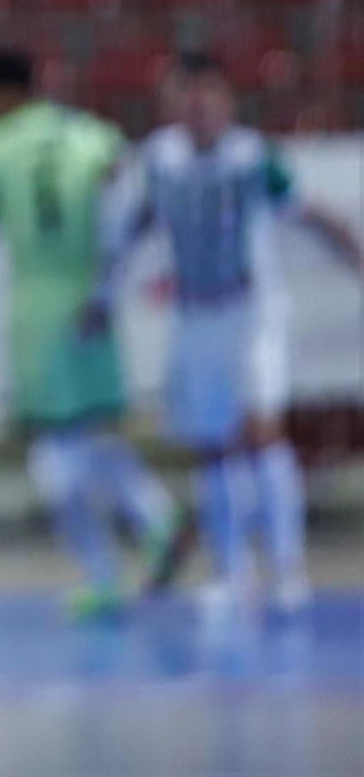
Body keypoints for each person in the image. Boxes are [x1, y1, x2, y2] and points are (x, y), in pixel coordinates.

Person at [101, 51, 364, 615]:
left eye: (208, 94)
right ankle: (232, 570)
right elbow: (134, 228)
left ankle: (288, 570)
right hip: (197, 317)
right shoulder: (160, 161)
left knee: (263, 431)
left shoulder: (253, 159)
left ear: (226, 102)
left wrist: (354, 255)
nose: (197, 107)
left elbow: (309, 214)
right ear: (171, 104)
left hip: (252, 313)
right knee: (213, 446)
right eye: (185, 95)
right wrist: (102, 295)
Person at [0, 47, 186, 620]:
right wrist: (108, 279)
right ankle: (153, 520)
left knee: (53, 446)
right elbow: (128, 205)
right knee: (83, 430)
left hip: (37, 304)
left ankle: (112, 563)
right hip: (92, 297)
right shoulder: (92, 135)